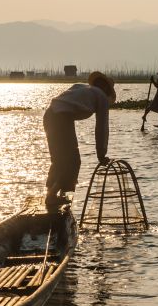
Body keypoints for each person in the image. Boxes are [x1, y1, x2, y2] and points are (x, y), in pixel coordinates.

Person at [43, 71, 116, 205]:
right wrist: (101, 154)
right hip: (61, 118)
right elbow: (102, 128)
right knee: (73, 160)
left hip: (49, 115)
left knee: (59, 158)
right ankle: (51, 196)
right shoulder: (102, 97)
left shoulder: (81, 87)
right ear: (106, 89)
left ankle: (54, 194)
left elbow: (63, 103)